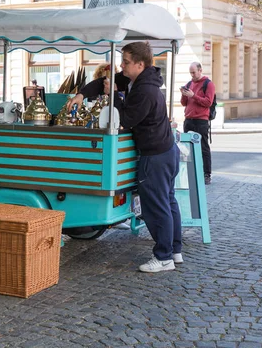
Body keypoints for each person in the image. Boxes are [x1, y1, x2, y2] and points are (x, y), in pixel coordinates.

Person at [67, 42, 181, 273]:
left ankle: (164, 257)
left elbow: (126, 118)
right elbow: (103, 83)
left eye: (126, 62)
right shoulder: (139, 80)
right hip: (166, 151)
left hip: (156, 155)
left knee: (156, 207)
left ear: (140, 64)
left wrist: (114, 96)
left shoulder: (145, 90)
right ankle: (174, 250)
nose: (122, 66)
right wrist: (81, 94)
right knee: (168, 202)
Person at [180, 62, 215, 186]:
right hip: (189, 119)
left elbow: (208, 102)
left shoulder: (208, 84)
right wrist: (184, 94)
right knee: (186, 148)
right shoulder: (189, 84)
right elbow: (184, 103)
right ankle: (189, 173)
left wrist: (193, 96)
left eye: (194, 72)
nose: (192, 75)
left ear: (200, 70)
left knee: (203, 147)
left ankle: (207, 174)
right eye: (190, 73)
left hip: (201, 120)